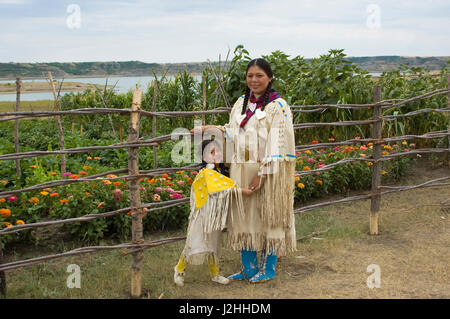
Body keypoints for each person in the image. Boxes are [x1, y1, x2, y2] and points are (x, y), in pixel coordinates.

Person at [192, 58, 296, 283]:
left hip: (268, 171)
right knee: (244, 216)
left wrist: (262, 173)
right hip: (241, 169)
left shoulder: (278, 107)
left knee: (269, 216)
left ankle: (268, 268)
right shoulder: (241, 103)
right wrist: (212, 129)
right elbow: (233, 131)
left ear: (270, 78)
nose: (254, 80)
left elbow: (278, 141)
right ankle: (248, 268)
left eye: (259, 75)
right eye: (250, 76)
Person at [173, 139, 252, 286]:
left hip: (215, 215)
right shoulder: (206, 173)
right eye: (212, 152)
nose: (217, 154)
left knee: (213, 244)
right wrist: (241, 191)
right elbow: (220, 190)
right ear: (203, 157)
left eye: (218, 151)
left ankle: (215, 274)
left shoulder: (222, 171)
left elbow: (225, 185)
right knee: (193, 243)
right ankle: (179, 269)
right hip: (202, 215)